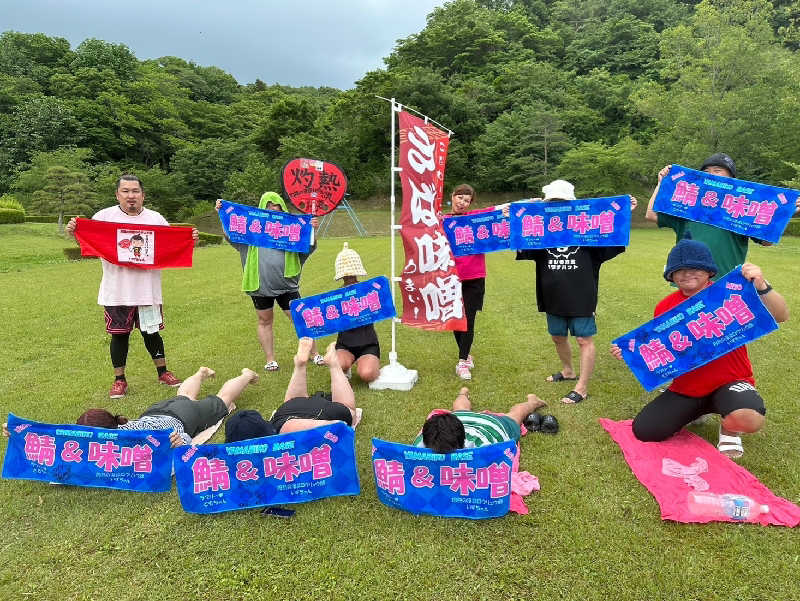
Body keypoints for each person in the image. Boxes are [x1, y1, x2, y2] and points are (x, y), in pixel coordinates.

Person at [610, 238, 789, 458]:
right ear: (671, 276)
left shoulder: (732, 293)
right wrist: (631, 352)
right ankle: (696, 412)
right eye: (680, 270)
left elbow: (781, 316)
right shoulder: (665, 307)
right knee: (646, 430)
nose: (687, 274)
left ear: (709, 271)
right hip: (688, 388)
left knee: (748, 417)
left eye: (695, 268)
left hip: (731, 381)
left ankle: (730, 430)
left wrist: (762, 286)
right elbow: (661, 347)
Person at [66, 175, 198, 399]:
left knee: (152, 332)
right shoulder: (104, 217)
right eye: (125, 191)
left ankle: (163, 372)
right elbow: (88, 241)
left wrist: (189, 239)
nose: (131, 196)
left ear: (143, 195)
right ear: (117, 194)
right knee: (119, 335)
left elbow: (170, 245)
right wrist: (75, 232)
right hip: (116, 290)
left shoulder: (155, 219)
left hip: (147, 289)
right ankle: (120, 380)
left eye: (135, 191)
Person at [516, 179, 637, 404]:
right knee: (557, 337)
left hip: (581, 297)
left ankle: (581, 388)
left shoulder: (590, 233)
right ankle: (568, 371)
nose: (556, 207)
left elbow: (615, 236)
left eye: (561, 202)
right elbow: (520, 239)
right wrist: (522, 209)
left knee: (583, 339)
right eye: (552, 202)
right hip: (551, 296)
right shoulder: (541, 233)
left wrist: (624, 213)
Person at [644, 153, 799, 278]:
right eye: (706, 172)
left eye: (717, 171)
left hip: (726, 280)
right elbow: (651, 214)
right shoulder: (688, 206)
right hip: (690, 280)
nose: (711, 175)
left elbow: (766, 241)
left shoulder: (743, 209)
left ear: (733, 180)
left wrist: (785, 214)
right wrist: (661, 183)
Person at [216, 193, 322, 372]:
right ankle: (270, 359)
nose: (273, 210)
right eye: (269, 207)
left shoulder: (291, 231)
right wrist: (222, 213)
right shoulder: (250, 233)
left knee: (299, 319)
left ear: (283, 209)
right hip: (260, 286)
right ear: (261, 210)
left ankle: (314, 353)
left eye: (277, 207)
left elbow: (308, 246)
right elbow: (230, 234)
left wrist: (311, 230)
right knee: (264, 321)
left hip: (287, 286)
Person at [74, 367, 260, 447]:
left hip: (181, 419)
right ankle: (200, 373)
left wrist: (181, 442)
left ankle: (247, 375)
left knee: (222, 400)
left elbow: (183, 439)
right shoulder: (119, 430)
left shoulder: (131, 440)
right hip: (155, 411)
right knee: (184, 396)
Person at [443, 184, 509, 380]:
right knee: (454, 319)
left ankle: (462, 361)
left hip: (474, 277)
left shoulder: (475, 220)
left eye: (466, 200)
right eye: (459, 198)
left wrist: (529, 205)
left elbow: (498, 210)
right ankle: (466, 354)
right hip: (450, 277)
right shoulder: (442, 220)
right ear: (452, 196)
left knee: (469, 319)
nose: (462, 203)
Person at [268, 337, 360, 434]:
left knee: (292, 403)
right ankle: (328, 364)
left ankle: (307, 365)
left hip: (290, 419)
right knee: (292, 401)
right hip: (290, 415)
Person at [413, 387, 546, 453]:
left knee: (516, 415)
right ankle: (463, 393)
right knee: (460, 409)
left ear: (463, 443)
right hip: (460, 418)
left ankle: (532, 402)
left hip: (492, 426)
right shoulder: (419, 446)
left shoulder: (484, 448)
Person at [333, 242, 380, 383]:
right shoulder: (335, 297)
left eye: (352, 276)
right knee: (339, 367)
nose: (350, 279)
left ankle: (370, 362)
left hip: (368, 344)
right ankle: (345, 365)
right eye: (346, 277)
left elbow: (382, 308)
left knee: (367, 374)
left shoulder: (369, 291)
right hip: (345, 345)